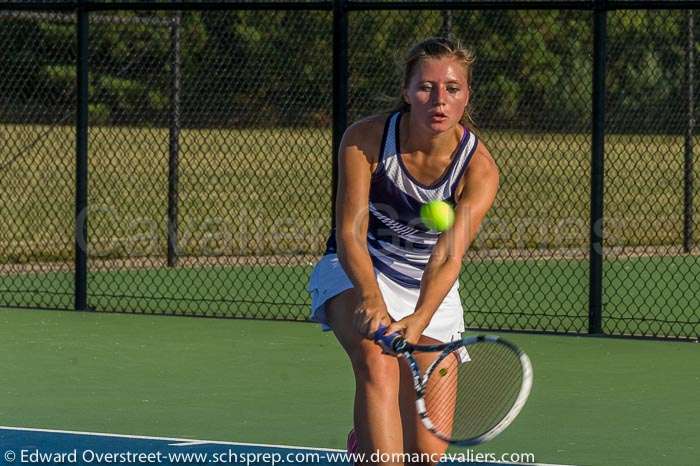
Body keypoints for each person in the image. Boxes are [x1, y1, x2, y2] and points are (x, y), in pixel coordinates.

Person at [307, 37, 499, 465]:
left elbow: (448, 258)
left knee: (427, 455)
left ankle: (364, 438)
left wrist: (420, 319)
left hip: (430, 287)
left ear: (467, 95)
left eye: (452, 88)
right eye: (426, 87)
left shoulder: (479, 168)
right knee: (378, 365)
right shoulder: (366, 140)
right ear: (407, 90)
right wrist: (372, 299)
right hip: (358, 267)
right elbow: (350, 231)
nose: (439, 99)